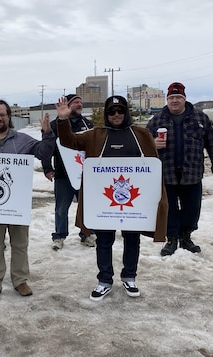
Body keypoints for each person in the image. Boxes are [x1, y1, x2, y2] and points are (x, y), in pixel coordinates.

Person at [57, 95, 167, 301]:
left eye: (120, 110)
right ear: (107, 115)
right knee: (104, 241)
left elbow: (152, 167)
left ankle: (129, 277)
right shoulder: (95, 135)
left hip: (134, 201)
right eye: (111, 111)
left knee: (132, 239)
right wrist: (63, 121)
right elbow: (69, 141)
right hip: (103, 202)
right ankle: (104, 280)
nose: (116, 115)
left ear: (126, 112)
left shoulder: (141, 134)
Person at [0, 99, 55, 299]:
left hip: (17, 205)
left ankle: (20, 280)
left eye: (3, 114)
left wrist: (48, 134)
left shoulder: (23, 140)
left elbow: (44, 152)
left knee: (20, 244)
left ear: (9, 117)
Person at [146, 82, 213, 256]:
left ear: (184, 99)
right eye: (171, 98)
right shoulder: (156, 120)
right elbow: (143, 146)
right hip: (166, 174)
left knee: (192, 208)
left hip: (192, 173)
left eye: (178, 97)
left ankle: (186, 237)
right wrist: (152, 144)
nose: (175, 101)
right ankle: (172, 239)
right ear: (167, 100)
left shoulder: (200, 118)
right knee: (169, 209)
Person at [42, 94, 95, 250]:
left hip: (84, 175)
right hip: (63, 174)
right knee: (61, 208)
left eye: (81, 102)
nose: (79, 105)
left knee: (86, 206)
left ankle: (87, 233)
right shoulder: (54, 125)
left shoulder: (87, 124)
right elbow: (47, 148)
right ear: (67, 105)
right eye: (76, 102)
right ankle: (59, 236)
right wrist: (47, 168)